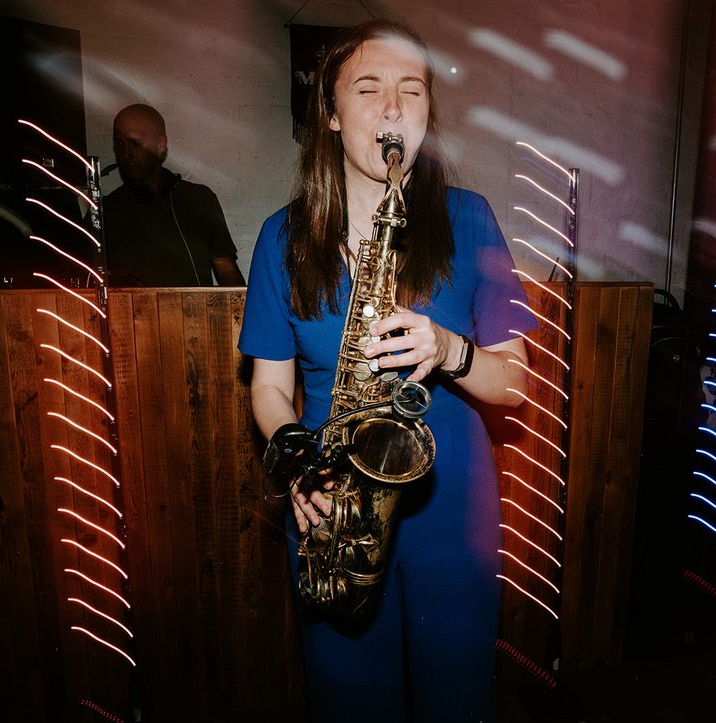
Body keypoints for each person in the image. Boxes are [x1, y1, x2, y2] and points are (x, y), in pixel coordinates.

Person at [238, 19, 537, 722]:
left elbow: (516, 384)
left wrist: (449, 349)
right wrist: (293, 464)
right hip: (332, 511)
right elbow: (271, 386)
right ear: (333, 114)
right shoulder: (281, 237)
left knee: (458, 704)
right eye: (368, 89)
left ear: (430, 113)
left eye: (412, 90)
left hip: (454, 514)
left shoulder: (470, 219)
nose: (394, 109)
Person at [102, 103, 245, 286]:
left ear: (160, 145)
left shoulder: (199, 200)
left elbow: (226, 270)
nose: (125, 154)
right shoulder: (106, 210)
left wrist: (241, 310)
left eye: (134, 143)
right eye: (119, 144)